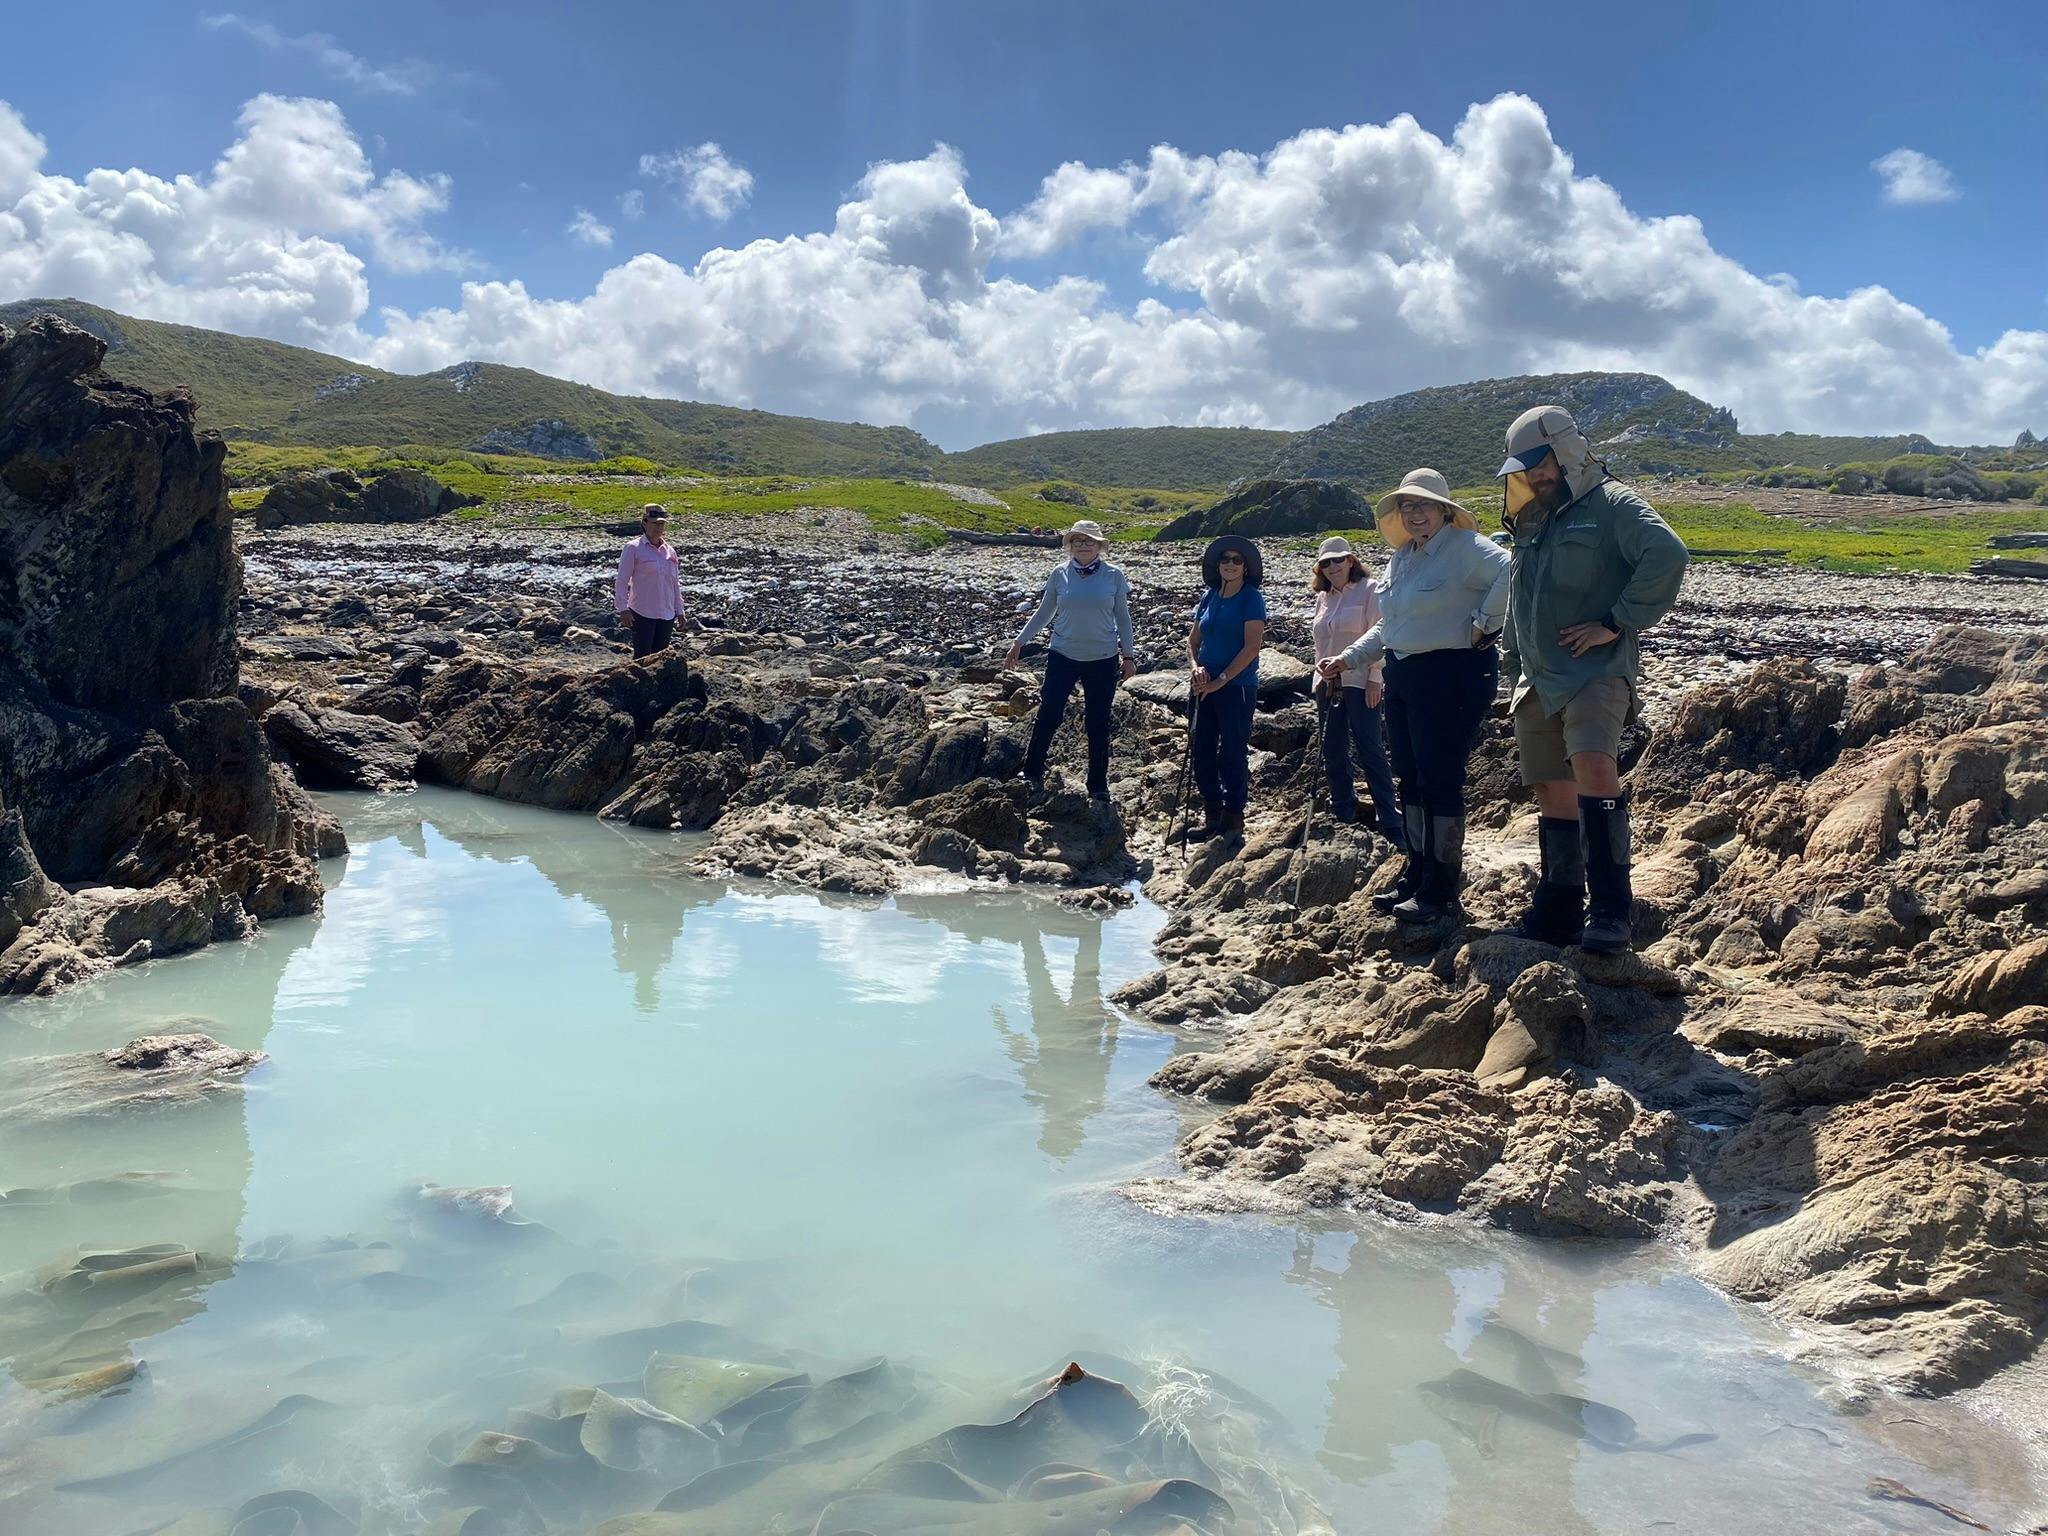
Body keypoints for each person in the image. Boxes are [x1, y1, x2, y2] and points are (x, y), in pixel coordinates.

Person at [1497, 406, 1688, 953]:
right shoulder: (1537, 519)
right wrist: (1513, 667)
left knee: (1594, 772)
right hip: (1536, 679)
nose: (1535, 476)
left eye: (1541, 464)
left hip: (1594, 672)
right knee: (1549, 788)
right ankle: (1557, 909)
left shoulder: (1614, 504)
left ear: (1566, 451)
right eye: (1526, 468)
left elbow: (1667, 553)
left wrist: (1615, 621)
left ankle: (1610, 912)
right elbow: (1520, 598)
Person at [1319, 469, 1509, 921]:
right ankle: (1417, 873)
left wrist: (1485, 621)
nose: (1414, 513)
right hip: (1405, 674)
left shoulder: (1466, 549)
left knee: (1440, 778)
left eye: (1423, 505)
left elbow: (1513, 570)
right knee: (1409, 774)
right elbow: (1390, 625)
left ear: (1445, 510)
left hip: (1452, 674)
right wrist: (1349, 658)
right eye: (1407, 506)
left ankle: (1442, 891)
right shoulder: (1402, 557)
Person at [1006, 519, 1138, 803]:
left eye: (1089, 541)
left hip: (1103, 658)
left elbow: (1123, 618)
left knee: (1098, 722)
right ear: (1069, 545)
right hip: (1062, 654)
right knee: (1049, 714)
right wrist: (1019, 642)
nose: (1083, 545)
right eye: (1077, 540)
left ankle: (1098, 784)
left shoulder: (1114, 575)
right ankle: (1031, 772)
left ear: (1100, 546)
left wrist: (1128, 655)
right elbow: (1043, 613)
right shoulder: (1059, 574)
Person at [1307, 535, 1402, 839]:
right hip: (1327, 684)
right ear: (1320, 569)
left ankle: (1390, 819)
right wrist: (1318, 676)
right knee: (1332, 749)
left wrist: (1376, 678)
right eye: (1326, 562)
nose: (1332, 566)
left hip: (1361, 681)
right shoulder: (1324, 598)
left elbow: (1381, 635)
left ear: (1351, 560)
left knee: (1370, 748)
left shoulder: (1370, 590)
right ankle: (1342, 811)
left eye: (1338, 559)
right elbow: (1320, 643)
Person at [1187, 535, 1266, 839]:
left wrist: (1222, 680)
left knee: (1232, 751)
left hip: (1237, 686)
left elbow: (1252, 647)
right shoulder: (1208, 597)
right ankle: (1212, 814)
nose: (1230, 564)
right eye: (1225, 559)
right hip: (1203, 685)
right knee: (1202, 749)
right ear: (1216, 565)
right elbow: (1193, 642)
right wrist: (1196, 670)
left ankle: (1233, 817)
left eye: (1237, 560)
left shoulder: (1251, 598)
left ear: (1246, 567)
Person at [614, 503, 683, 658]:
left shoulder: (670, 551)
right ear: (644, 522)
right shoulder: (633, 548)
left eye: (661, 524)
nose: (658, 528)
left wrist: (680, 611)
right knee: (642, 657)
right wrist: (623, 608)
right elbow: (622, 580)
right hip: (642, 612)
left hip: (666, 614)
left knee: (660, 658)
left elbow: (674, 583)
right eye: (654, 523)